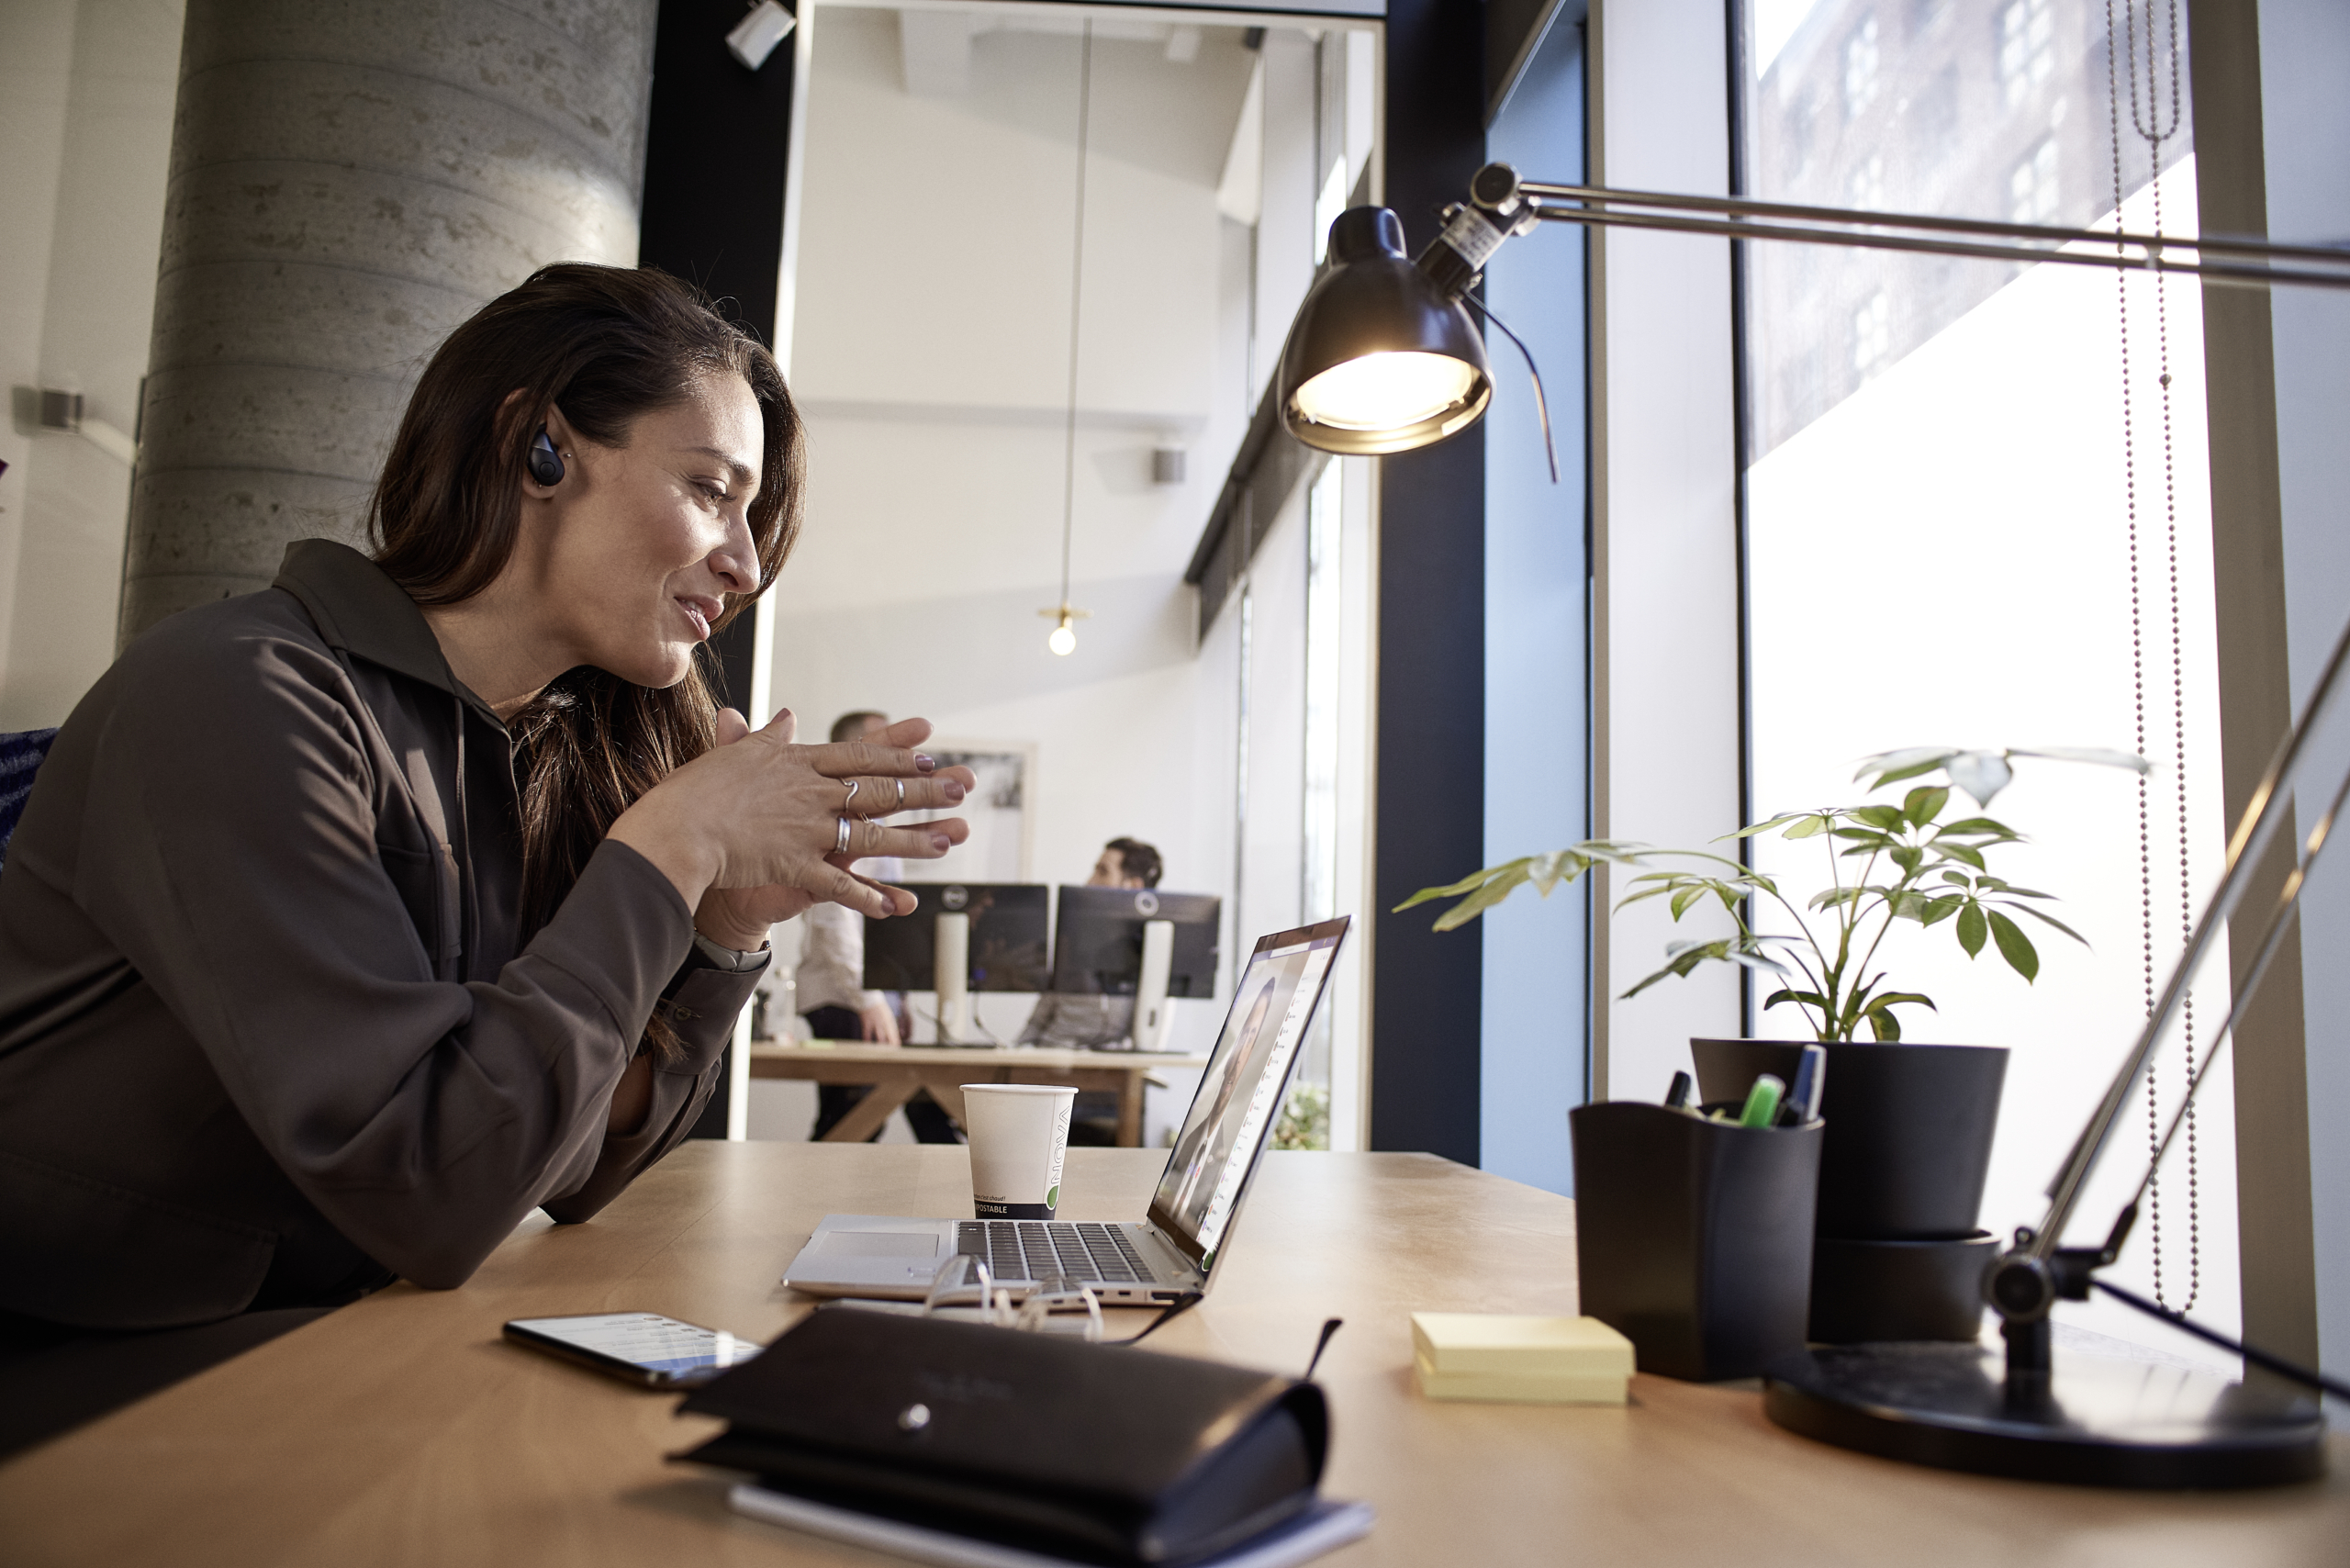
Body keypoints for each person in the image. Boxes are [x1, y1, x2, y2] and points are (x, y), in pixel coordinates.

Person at [0, 265, 976, 1442]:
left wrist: (722, 928)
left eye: (752, 519)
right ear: (535, 444)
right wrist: (672, 843)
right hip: (92, 1357)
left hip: (330, 1321)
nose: (745, 564)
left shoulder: (531, 753)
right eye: (712, 491)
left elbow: (567, 1173)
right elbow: (432, 1187)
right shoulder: (239, 694)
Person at [798, 711, 958, 1143]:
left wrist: (895, 996)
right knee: (851, 1121)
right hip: (845, 996)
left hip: (874, 995)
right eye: (887, 744)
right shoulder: (835, 816)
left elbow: (884, 919)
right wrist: (870, 1000)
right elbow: (835, 919)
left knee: (876, 1116)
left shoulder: (878, 820)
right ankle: (815, 1207)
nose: (899, 756)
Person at [1020, 837, 1162, 1146]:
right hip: (1046, 1077)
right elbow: (1039, 1019)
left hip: (1102, 1086)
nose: (1088, 881)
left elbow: (1148, 1040)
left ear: (1132, 885)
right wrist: (1011, 1061)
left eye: (1102, 871)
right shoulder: (1072, 942)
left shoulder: (1154, 953)